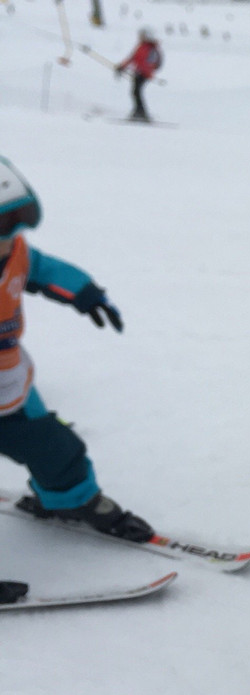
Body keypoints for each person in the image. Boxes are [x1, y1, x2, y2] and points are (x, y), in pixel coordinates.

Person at [0, 155, 155, 595]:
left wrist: (86, 294)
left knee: (55, 447)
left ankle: (69, 500)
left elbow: (49, 271)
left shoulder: (17, 255)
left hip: (8, 381)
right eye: (1, 228)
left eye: (17, 225)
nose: (11, 239)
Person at [115, 28, 163, 122]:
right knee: (135, 92)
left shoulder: (151, 48)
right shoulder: (141, 46)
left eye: (142, 35)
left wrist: (142, 70)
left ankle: (140, 112)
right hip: (139, 72)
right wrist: (122, 66)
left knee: (136, 92)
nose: (140, 37)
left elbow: (152, 62)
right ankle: (139, 111)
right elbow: (132, 58)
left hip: (144, 74)